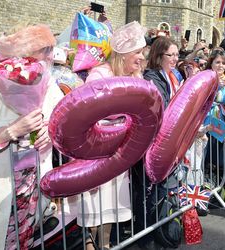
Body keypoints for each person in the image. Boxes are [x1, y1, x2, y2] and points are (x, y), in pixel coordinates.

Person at [0, 24, 63, 249]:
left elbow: (61, 119)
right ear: (27, 51)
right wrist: (9, 132)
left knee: (24, 240)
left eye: (51, 49)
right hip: (1, 184)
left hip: (31, 184)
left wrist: (50, 131)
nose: (50, 56)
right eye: (45, 49)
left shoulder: (48, 82)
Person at [82, 21, 147, 249]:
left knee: (110, 206)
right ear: (124, 53)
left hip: (119, 152)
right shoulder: (99, 75)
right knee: (93, 206)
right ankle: (90, 246)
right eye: (138, 52)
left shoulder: (136, 77)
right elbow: (88, 113)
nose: (141, 57)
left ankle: (106, 244)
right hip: (97, 151)